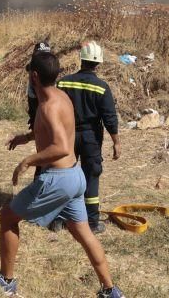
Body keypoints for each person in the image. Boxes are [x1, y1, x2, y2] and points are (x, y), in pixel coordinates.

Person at [0, 51, 125, 298]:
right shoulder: (60, 96)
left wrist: (27, 161)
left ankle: (6, 281)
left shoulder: (48, 106)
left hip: (58, 179)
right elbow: (61, 129)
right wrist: (26, 138)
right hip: (76, 176)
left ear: (34, 76)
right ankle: (110, 290)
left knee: (8, 218)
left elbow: (61, 146)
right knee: (83, 233)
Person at [56, 41, 120, 233]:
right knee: (91, 176)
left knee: (63, 175)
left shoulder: (63, 82)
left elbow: (53, 108)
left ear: (81, 59)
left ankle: (58, 220)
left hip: (67, 135)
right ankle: (92, 222)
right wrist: (116, 142)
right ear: (98, 63)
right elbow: (109, 118)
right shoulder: (101, 87)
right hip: (91, 138)